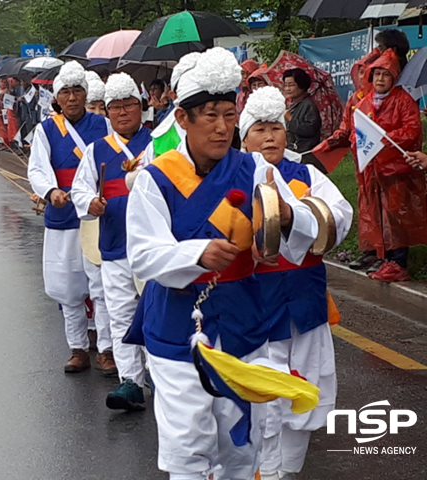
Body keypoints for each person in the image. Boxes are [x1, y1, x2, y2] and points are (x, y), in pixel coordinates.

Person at [125, 47, 319, 480]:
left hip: (241, 321)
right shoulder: (156, 179)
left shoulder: (253, 169)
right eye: (209, 115)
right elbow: (143, 253)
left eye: (229, 115)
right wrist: (196, 253)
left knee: (240, 441)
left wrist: (286, 216)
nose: (221, 127)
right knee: (188, 444)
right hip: (178, 326)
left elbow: (298, 224)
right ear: (182, 119)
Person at [238, 86, 353, 480]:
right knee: (261, 394)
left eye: (275, 128)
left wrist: (293, 217)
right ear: (244, 137)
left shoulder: (305, 173)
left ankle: (287, 472)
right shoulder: (232, 175)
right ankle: (263, 471)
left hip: (304, 302)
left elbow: (340, 214)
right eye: (259, 130)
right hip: (254, 305)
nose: (269, 137)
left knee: (306, 388)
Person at [28, 61, 115, 375]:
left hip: (93, 216)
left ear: (85, 93)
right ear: (58, 97)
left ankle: (106, 349)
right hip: (63, 216)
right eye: (66, 91)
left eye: (78, 90)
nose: (73, 97)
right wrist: (51, 192)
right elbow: (37, 167)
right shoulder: (47, 129)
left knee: (101, 287)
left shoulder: (103, 125)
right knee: (68, 287)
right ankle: (78, 348)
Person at [72, 73, 152, 411]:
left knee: (155, 312)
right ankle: (130, 381)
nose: (122, 113)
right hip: (115, 243)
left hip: (153, 244)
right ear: (107, 112)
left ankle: (161, 376)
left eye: (129, 106)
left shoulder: (158, 143)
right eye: (115, 108)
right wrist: (90, 203)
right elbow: (80, 188)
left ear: (141, 107)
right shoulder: (97, 150)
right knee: (120, 314)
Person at [352, 49, 427, 281]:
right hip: (374, 171)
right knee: (378, 215)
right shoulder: (364, 102)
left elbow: (412, 130)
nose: (381, 79)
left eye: (386, 74)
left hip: (397, 170)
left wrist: (384, 138)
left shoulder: (403, 100)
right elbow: (356, 131)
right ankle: (384, 257)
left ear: (394, 76)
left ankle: (399, 262)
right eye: (377, 74)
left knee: (397, 215)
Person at [324, 49, 382, 272]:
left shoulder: (380, 100)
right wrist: (328, 144)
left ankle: (385, 254)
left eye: (364, 72)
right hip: (361, 163)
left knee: (382, 210)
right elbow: (345, 128)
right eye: (358, 72)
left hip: (383, 163)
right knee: (366, 207)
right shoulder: (355, 99)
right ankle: (369, 250)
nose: (360, 77)